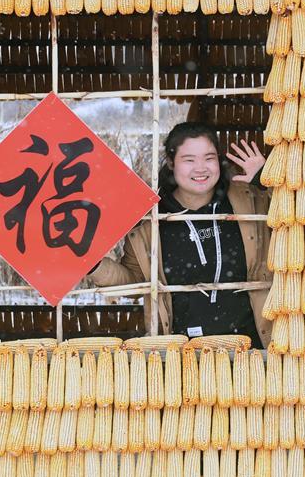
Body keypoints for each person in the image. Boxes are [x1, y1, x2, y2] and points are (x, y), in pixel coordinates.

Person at [90, 122, 272, 348]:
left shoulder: (251, 202)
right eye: (189, 160)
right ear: (170, 162)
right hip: (182, 357)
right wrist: (95, 266)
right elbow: (136, 281)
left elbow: (302, 216)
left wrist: (267, 178)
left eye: (209, 158)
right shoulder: (151, 223)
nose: (201, 168)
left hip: (253, 351)